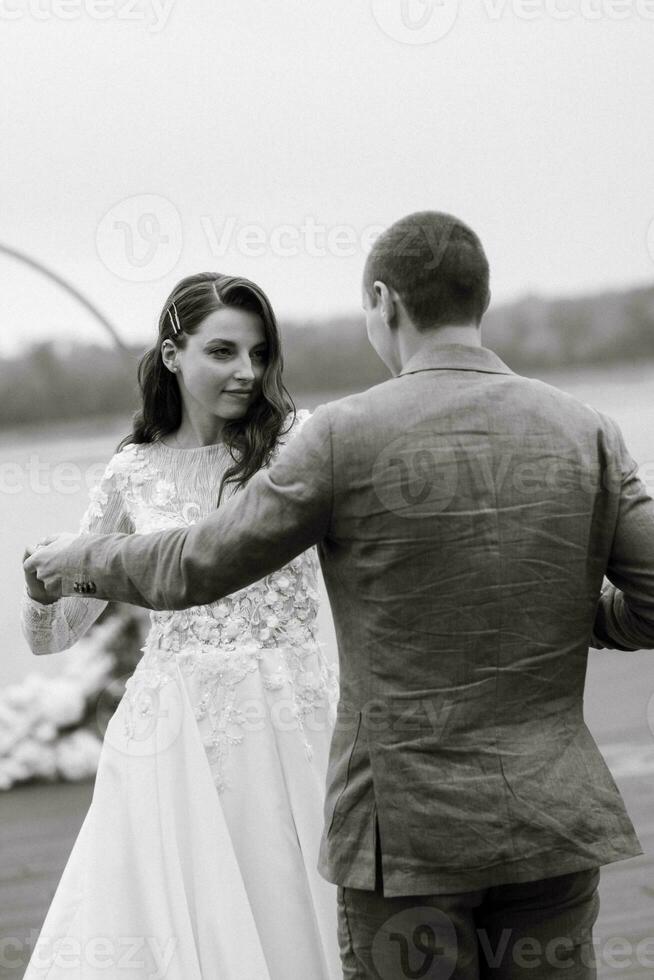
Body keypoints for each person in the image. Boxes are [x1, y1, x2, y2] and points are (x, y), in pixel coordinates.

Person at [26, 211, 654, 980]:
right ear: (479, 297)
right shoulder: (589, 428)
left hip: (404, 824)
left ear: (384, 300)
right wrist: (565, 613)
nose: (247, 370)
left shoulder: (337, 435)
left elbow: (199, 564)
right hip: (555, 812)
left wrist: (80, 556)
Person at [21, 272, 341, 980]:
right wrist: (40, 588)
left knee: (294, 897)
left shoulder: (299, 444)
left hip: (293, 714)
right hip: (170, 730)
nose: (246, 372)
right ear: (173, 354)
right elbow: (54, 636)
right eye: (223, 351)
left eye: (259, 355)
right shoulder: (132, 472)